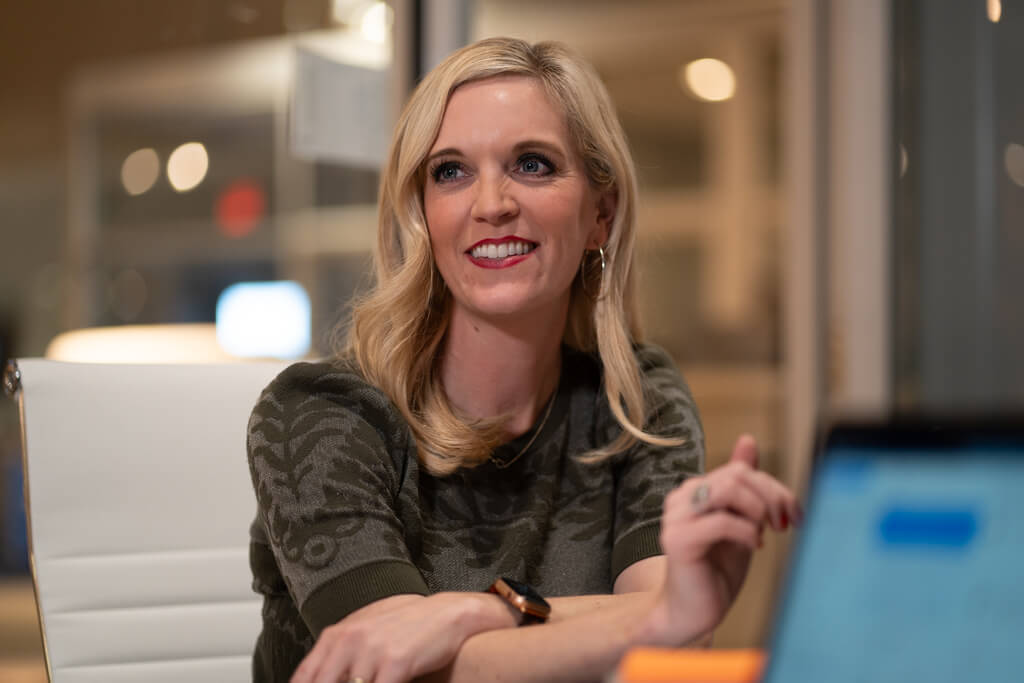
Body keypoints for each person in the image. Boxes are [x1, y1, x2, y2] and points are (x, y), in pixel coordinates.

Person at [246, 36, 801, 683]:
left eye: (532, 164)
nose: (490, 204)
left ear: (601, 213)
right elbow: (396, 662)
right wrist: (638, 616)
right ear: (423, 212)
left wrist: (466, 615)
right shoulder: (322, 411)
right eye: (450, 171)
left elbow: (677, 643)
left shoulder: (635, 399)